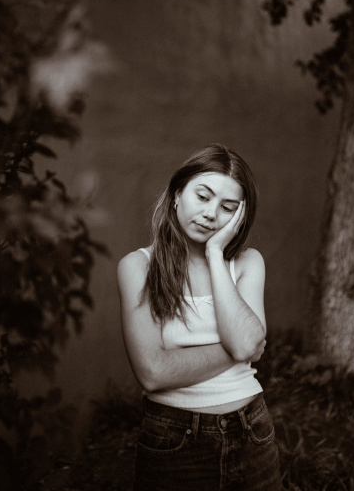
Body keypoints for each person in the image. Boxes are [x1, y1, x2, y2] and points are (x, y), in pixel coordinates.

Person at [117, 144, 280, 490]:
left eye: (227, 207)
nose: (211, 214)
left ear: (239, 217)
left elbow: (249, 343)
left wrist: (216, 254)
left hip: (251, 431)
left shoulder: (247, 263)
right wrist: (239, 349)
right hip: (174, 439)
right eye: (203, 197)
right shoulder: (138, 267)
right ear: (178, 194)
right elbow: (153, 372)